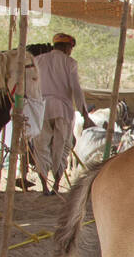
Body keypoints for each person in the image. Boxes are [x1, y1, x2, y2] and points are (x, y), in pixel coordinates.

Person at [32, 32, 93, 196]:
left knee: (41, 146)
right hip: (62, 109)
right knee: (61, 146)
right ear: (67, 48)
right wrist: (84, 114)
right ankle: (56, 185)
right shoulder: (70, 62)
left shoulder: (38, 60)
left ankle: (44, 186)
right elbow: (76, 89)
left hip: (41, 108)